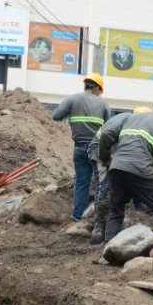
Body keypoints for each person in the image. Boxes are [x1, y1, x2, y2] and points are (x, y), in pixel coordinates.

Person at [99, 93, 153, 250]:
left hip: (118, 167)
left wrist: (106, 159)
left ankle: (107, 248)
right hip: (140, 170)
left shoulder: (132, 118)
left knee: (116, 208)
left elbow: (106, 133)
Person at [86, 105, 152, 243]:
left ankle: (141, 210)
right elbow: (106, 137)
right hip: (99, 152)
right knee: (104, 186)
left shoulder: (138, 129)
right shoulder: (126, 122)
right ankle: (98, 226)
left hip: (115, 156)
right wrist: (106, 159)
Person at [52, 73, 112, 222]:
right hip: (97, 149)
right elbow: (109, 128)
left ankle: (78, 218)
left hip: (79, 148)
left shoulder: (72, 99)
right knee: (101, 185)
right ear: (97, 88)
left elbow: (56, 116)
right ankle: (98, 219)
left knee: (81, 183)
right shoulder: (103, 104)